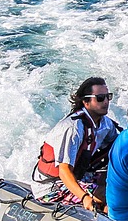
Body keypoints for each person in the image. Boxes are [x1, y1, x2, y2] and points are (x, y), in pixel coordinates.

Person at [30, 76, 119, 213]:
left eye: (108, 97)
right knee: (110, 194)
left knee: (123, 182)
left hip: (81, 175)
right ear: (86, 102)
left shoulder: (105, 124)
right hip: (53, 185)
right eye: (100, 98)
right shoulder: (73, 129)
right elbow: (64, 171)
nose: (106, 101)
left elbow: (120, 146)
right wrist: (84, 198)